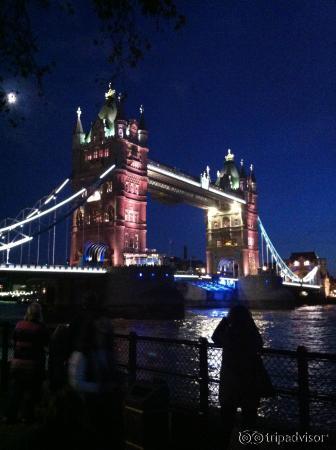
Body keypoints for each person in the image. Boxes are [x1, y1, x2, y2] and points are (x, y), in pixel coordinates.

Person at [211, 304, 272, 448]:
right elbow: (259, 343)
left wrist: (225, 320)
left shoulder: (230, 335)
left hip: (230, 383)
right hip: (249, 381)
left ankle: (223, 445)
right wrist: (250, 323)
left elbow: (215, 337)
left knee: (227, 420)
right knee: (249, 420)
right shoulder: (250, 334)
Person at [5, 302, 49, 423]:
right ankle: (27, 416)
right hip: (33, 364)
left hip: (17, 363)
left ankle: (9, 416)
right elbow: (46, 344)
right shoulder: (41, 328)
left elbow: (13, 341)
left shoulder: (19, 325)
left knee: (15, 391)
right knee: (31, 391)